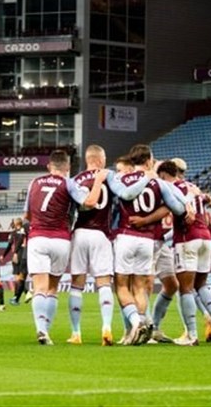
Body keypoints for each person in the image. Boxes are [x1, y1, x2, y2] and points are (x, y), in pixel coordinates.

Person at [23, 149, 107, 345]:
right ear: (68, 167)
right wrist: (98, 181)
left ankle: (41, 330)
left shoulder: (34, 183)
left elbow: (27, 215)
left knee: (39, 287)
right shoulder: (68, 183)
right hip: (61, 240)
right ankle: (46, 330)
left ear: (49, 166)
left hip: (38, 238)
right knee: (52, 288)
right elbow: (90, 202)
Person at [112, 144, 188, 346]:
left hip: (126, 236)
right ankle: (141, 327)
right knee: (140, 287)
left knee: (121, 285)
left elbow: (122, 196)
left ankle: (136, 325)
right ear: (148, 161)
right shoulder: (158, 183)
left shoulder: (122, 179)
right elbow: (178, 208)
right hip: (147, 240)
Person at [157, 160, 211, 346]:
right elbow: (205, 203)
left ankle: (192, 335)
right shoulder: (192, 186)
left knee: (185, 288)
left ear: (163, 175)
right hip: (205, 238)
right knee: (201, 285)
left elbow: (176, 210)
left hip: (187, 239)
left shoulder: (171, 188)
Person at [66, 145, 119, 346]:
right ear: (100, 159)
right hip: (101, 234)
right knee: (103, 283)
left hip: (80, 233)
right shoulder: (109, 176)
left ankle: (76, 333)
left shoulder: (76, 180)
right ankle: (106, 327)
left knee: (77, 284)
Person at [2, 218, 28, 305]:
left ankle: (26, 293)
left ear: (16, 224)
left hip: (17, 255)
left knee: (17, 278)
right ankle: (16, 297)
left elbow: (9, 245)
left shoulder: (13, 233)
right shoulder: (25, 232)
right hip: (25, 255)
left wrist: (3, 255)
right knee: (21, 277)